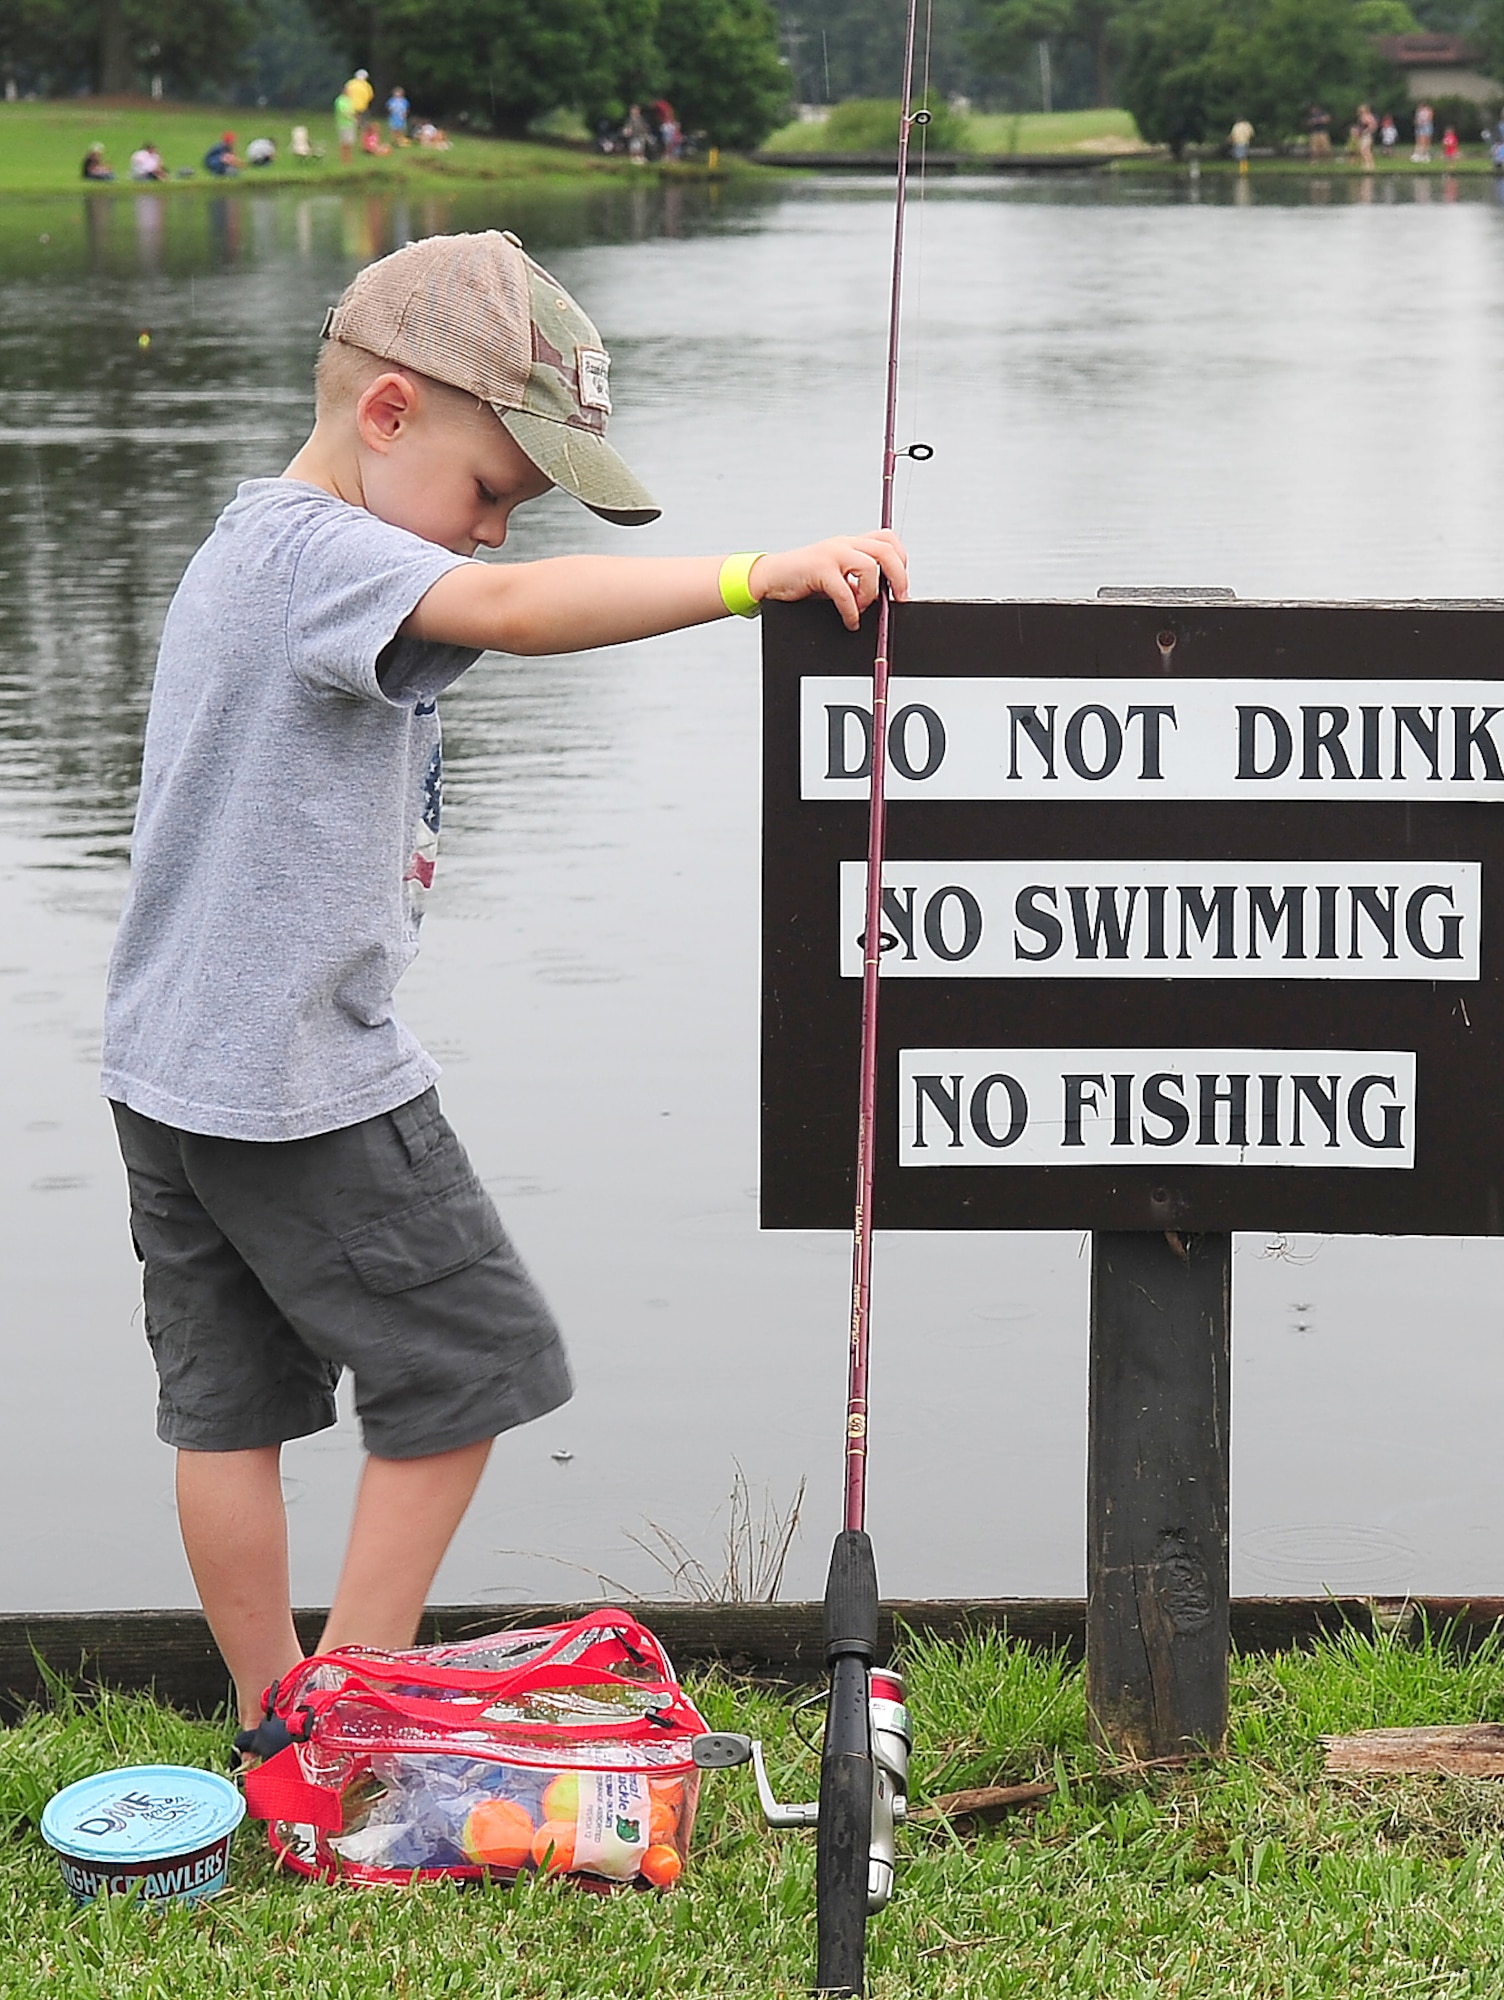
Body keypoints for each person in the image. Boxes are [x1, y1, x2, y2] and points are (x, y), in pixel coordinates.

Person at [100, 229, 908, 1739]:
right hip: (298, 1076)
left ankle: (277, 1718)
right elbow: (523, 621)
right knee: (473, 1369)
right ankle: (356, 1707)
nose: (485, 544)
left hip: (169, 1073)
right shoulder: (332, 554)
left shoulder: (242, 547)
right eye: (489, 499)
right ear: (385, 413)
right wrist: (754, 577)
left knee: (230, 1415)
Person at [335, 86, 356, 165]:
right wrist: (350, 115)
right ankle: (343, 159)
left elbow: (352, 110)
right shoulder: (340, 100)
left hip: (351, 124)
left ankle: (349, 158)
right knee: (344, 142)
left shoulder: (349, 100)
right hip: (343, 124)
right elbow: (342, 111)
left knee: (350, 142)